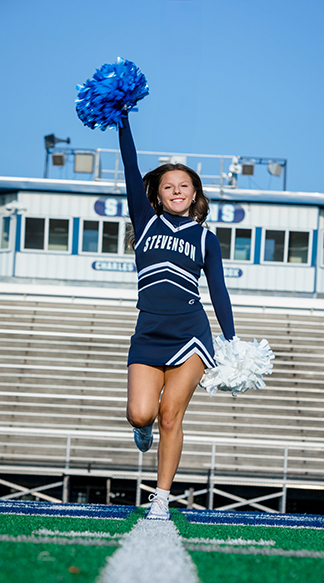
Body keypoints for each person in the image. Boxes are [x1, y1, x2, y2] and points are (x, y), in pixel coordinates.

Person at [119, 113, 235, 520]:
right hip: (149, 332)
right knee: (142, 413)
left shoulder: (206, 237)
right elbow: (131, 167)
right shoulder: (145, 222)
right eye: (168, 186)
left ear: (195, 193)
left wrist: (231, 339)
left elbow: (217, 290)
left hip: (191, 334)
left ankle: (162, 500)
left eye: (184, 185)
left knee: (172, 416)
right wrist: (123, 120)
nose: (177, 191)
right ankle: (140, 428)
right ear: (159, 194)